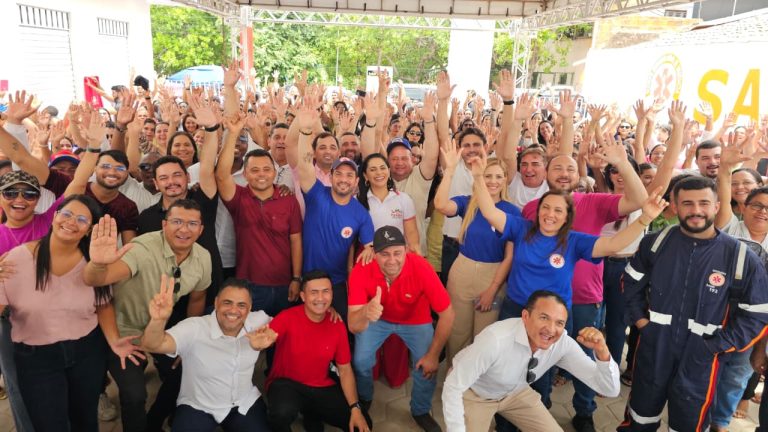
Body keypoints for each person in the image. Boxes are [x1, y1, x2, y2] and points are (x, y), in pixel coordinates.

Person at [619, 176, 768, 431]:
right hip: (655, 346)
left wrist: (717, 345)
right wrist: (642, 323)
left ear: (717, 206)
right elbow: (630, 283)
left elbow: (757, 313)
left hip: (702, 357)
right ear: (675, 206)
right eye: (687, 203)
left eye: (704, 203)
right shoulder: (655, 243)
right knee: (640, 417)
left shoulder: (740, 256)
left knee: (689, 424)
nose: (696, 210)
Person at [82, 200, 212, 432]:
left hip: (161, 330)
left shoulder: (203, 257)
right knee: (134, 394)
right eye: (177, 221)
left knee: (186, 372)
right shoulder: (142, 248)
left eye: (192, 224)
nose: (184, 229)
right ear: (164, 224)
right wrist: (98, 264)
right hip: (122, 333)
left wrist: (188, 342)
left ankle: (155, 421)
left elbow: (197, 299)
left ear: (201, 229)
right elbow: (96, 279)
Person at [0, 195, 109, 432]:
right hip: (36, 357)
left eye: (82, 219)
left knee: (86, 420)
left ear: (90, 229)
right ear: (54, 217)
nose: (71, 222)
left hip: (87, 351)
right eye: (66, 214)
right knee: (49, 423)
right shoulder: (16, 259)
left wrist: (116, 341)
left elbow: (103, 304)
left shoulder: (94, 261)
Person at [441, 290, 620, 432]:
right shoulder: (496, 339)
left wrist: (602, 352)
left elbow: (609, 389)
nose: (551, 329)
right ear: (525, 316)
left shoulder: (562, 343)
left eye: (559, 323)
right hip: (475, 394)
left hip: (516, 393)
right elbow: (453, 386)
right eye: (544, 318)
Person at [348, 226, 455, 432]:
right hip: (377, 317)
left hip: (415, 320)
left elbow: (447, 314)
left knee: (426, 366)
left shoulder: (421, 267)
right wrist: (366, 311)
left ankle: (420, 410)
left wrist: (434, 355)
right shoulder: (361, 269)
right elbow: (353, 324)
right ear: (374, 254)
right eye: (384, 254)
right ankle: (364, 398)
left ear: (406, 250)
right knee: (361, 361)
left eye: (397, 253)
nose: (392, 260)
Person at [140, 276, 272, 431]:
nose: (233, 310)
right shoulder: (194, 328)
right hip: (198, 406)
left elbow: (283, 326)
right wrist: (158, 321)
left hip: (243, 403)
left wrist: (269, 339)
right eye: (227, 303)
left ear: (249, 309)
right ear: (216, 303)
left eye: (241, 305)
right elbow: (152, 345)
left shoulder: (259, 321)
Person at [292, 93, 374, 319]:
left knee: (339, 327)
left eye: (350, 175)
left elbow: (369, 246)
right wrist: (305, 131)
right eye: (339, 174)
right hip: (307, 279)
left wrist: (370, 250)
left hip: (337, 283)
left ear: (356, 182)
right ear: (331, 176)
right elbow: (304, 164)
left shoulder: (361, 214)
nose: (344, 179)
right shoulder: (316, 193)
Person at [434, 148, 517, 364]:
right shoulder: (468, 203)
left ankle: (479, 379)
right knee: (457, 332)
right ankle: (454, 372)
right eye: (487, 176)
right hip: (462, 270)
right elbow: (440, 205)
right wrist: (449, 170)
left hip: (493, 275)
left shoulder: (512, 211)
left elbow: (509, 257)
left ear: (505, 179)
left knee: (484, 336)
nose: (493, 181)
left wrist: (493, 289)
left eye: (498, 176)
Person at [264, 270, 372, 432]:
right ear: (303, 296)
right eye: (314, 292)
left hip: (320, 385)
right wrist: (259, 343)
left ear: (332, 294)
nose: (320, 298)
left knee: (363, 425)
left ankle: (312, 413)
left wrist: (355, 408)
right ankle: (308, 413)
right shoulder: (286, 317)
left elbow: (345, 369)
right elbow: (266, 338)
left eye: (325, 291)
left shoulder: (337, 324)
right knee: (281, 413)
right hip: (287, 385)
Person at [216, 115, 303, 316]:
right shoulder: (239, 198)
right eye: (254, 170)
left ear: (274, 172)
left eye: (266, 169)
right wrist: (233, 135)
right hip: (248, 287)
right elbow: (221, 175)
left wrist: (296, 278)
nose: (261, 174)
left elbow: (296, 240)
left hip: (284, 285)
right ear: (245, 174)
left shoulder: (288, 200)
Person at [356, 153, 420, 254]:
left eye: (382, 168)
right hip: (368, 257)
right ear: (365, 176)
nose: (379, 173)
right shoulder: (357, 201)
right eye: (373, 169)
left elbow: (413, 240)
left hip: (396, 257)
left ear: (389, 171)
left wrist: (417, 259)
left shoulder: (404, 199)